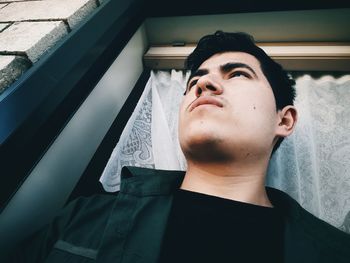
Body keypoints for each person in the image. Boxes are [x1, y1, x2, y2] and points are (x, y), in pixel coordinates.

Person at [7, 31, 350, 262]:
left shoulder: (334, 253)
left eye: (238, 74)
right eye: (195, 80)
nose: (205, 84)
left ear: (284, 120)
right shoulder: (79, 221)